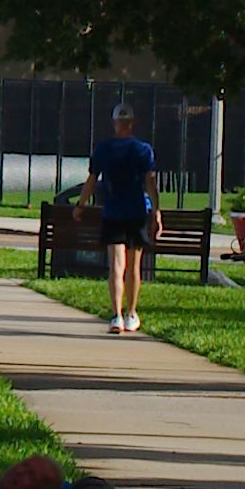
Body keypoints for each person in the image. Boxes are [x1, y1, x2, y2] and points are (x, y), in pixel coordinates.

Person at [91, 103, 165, 333]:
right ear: (132, 123)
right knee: (134, 266)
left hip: (113, 212)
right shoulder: (143, 150)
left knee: (116, 264)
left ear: (114, 123)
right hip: (136, 212)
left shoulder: (104, 149)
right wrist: (156, 210)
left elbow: (92, 180)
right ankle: (131, 313)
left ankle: (116, 315)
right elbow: (150, 182)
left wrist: (81, 205)